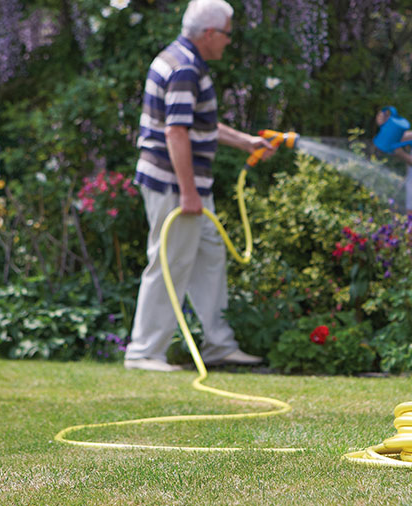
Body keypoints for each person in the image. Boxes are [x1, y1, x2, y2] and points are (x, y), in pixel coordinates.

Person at [125, 0, 275, 372]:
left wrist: (244, 141)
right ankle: (144, 352)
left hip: (185, 186)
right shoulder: (185, 69)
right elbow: (175, 133)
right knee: (169, 262)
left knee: (210, 256)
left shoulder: (181, 60)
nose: (228, 41)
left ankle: (218, 344)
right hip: (175, 187)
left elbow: (194, 124)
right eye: (226, 34)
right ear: (209, 33)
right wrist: (189, 192)